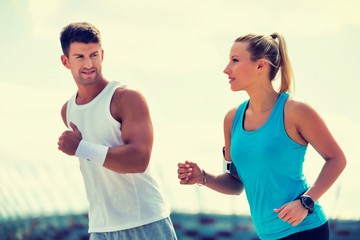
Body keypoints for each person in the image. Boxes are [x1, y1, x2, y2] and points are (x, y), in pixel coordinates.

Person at [177, 33, 346, 240]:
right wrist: (202, 177)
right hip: (267, 234)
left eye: (235, 60)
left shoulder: (295, 111)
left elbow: (337, 159)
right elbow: (235, 182)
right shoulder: (232, 119)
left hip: (305, 230)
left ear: (261, 66)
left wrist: (306, 201)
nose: (226, 69)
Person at [57, 22, 177, 240]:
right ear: (65, 61)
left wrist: (81, 148)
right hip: (101, 228)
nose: (89, 63)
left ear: (102, 54)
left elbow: (138, 160)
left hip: (145, 222)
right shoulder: (68, 110)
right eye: (80, 57)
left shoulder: (126, 98)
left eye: (94, 55)